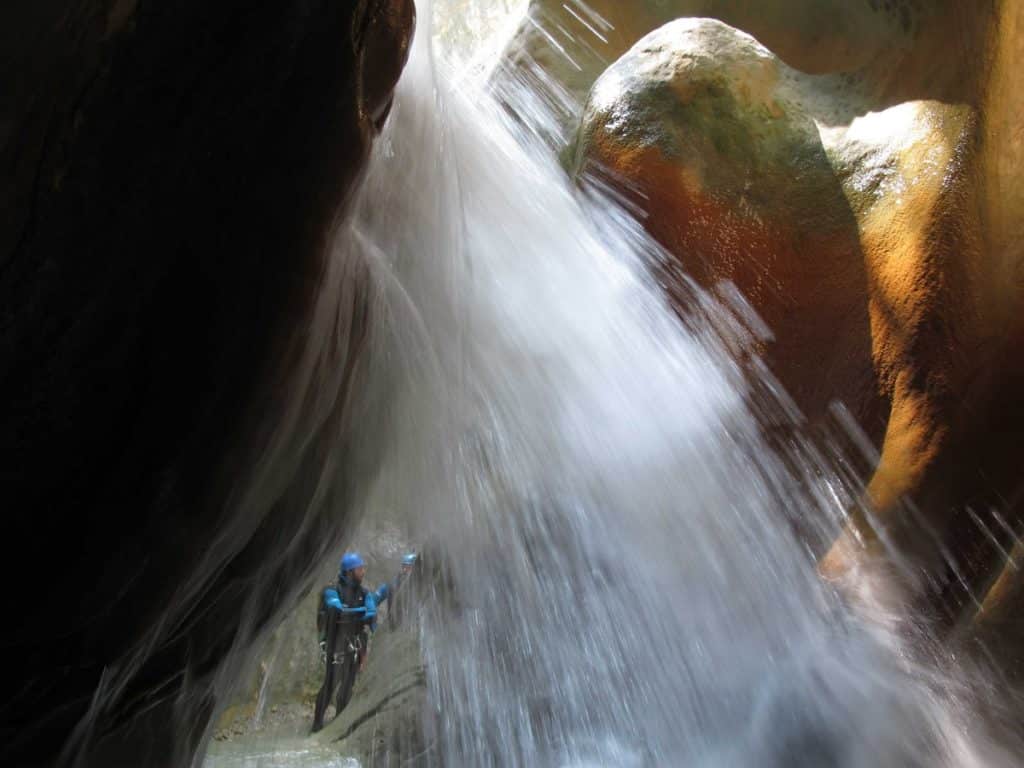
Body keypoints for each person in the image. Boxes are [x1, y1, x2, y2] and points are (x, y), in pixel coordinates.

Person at [311, 551, 391, 732]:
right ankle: (316, 725)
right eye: (360, 569)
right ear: (349, 571)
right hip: (335, 642)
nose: (363, 572)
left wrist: (356, 613)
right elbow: (336, 608)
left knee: (348, 684)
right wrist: (359, 613)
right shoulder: (331, 590)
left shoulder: (364, 593)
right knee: (331, 683)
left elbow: (371, 612)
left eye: (363, 568)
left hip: (354, 642)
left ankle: (339, 723)